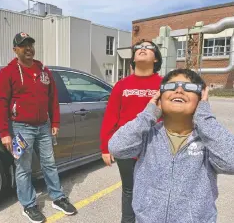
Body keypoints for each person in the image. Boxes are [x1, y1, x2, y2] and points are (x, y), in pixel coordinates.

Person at [109, 68, 234, 223]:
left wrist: (205, 118)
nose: (179, 90)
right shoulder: (148, 134)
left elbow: (231, 161)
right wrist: (148, 114)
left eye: (189, 87)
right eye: (171, 86)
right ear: (159, 98)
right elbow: (117, 147)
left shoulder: (208, 139)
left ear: (202, 98)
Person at [0, 32, 77, 223]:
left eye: (30, 44)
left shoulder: (44, 72)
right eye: (23, 45)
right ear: (15, 50)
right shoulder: (7, 73)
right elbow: (1, 103)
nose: (29, 48)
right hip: (20, 128)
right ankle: (28, 205)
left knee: (50, 163)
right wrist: (4, 132)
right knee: (23, 168)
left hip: (44, 127)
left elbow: (53, 99)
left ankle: (57, 197)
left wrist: (55, 122)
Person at [100, 39, 163, 223]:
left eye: (148, 47)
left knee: (152, 190)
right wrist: (105, 147)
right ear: (133, 58)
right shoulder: (121, 85)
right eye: (139, 48)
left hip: (154, 147)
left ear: (156, 59)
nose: (143, 49)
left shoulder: (164, 84)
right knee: (129, 189)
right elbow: (111, 116)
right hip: (126, 148)